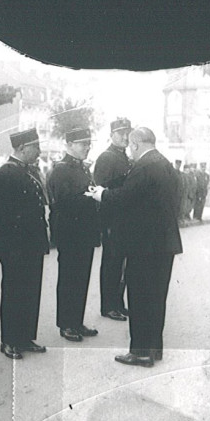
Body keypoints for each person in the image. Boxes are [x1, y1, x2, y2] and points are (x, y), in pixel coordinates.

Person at [86, 127, 182, 367]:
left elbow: (126, 197)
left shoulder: (144, 166)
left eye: (130, 146)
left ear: (137, 144)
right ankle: (154, 349)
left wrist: (102, 194)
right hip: (165, 244)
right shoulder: (166, 165)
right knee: (157, 298)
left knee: (139, 298)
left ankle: (139, 352)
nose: (129, 150)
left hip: (144, 246)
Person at [0, 128, 49, 360]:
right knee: (14, 292)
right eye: (35, 147)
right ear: (22, 148)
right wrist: (11, 245)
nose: (39, 151)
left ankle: (25, 337)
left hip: (32, 243)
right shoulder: (5, 174)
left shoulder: (28, 172)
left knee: (31, 291)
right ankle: (9, 340)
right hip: (14, 246)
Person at [46, 128, 100, 342]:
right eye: (82, 143)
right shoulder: (61, 170)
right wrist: (92, 197)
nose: (87, 147)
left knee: (82, 277)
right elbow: (63, 203)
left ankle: (77, 321)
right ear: (69, 144)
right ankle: (66, 324)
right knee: (69, 279)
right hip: (70, 233)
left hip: (84, 232)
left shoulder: (83, 169)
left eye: (88, 143)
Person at [93, 118, 132, 321]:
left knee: (121, 263)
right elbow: (101, 191)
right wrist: (105, 223)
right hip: (112, 220)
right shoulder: (107, 158)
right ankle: (108, 306)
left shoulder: (124, 157)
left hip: (124, 220)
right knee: (112, 263)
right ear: (112, 135)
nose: (125, 137)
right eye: (121, 133)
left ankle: (118, 303)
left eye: (127, 133)